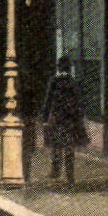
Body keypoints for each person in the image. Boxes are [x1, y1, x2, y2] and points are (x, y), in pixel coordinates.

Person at [40, 56, 88, 185]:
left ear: (58, 67)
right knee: (69, 147)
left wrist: (45, 118)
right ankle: (70, 175)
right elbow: (79, 102)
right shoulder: (73, 82)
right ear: (69, 68)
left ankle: (55, 172)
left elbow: (48, 100)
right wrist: (79, 118)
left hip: (57, 118)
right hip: (71, 119)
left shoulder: (54, 81)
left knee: (56, 145)